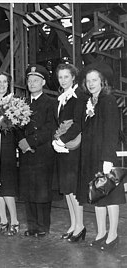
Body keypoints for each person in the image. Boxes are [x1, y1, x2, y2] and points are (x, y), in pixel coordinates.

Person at [78, 62, 125, 250]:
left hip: (104, 157)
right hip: (92, 156)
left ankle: (113, 235)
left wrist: (107, 158)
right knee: (97, 196)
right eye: (88, 81)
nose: (91, 84)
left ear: (102, 82)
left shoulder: (108, 101)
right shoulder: (91, 102)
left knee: (111, 197)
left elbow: (112, 131)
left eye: (94, 80)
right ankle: (101, 233)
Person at [17, 64, 56, 237]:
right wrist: (21, 142)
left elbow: (50, 127)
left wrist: (30, 142)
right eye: (29, 80)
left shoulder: (50, 103)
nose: (32, 83)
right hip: (25, 153)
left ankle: (43, 226)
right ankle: (31, 225)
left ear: (43, 82)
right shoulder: (21, 103)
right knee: (28, 190)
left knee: (42, 191)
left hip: (42, 153)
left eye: (36, 80)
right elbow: (15, 125)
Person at [51, 64, 88, 242]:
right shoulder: (62, 98)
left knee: (73, 189)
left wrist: (62, 140)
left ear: (73, 77)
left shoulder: (78, 97)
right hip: (62, 148)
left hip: (72, 148)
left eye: (66, 77)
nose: (63, 80)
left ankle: (80, 225)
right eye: (60, 77)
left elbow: (78, 123)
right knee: (66, 189)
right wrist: (56, 138)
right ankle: (73, 224)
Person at [0, 71, 19, 236]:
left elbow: (18, 126)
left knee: (7, 186)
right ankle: (3, 221)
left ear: (8, 85)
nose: (1, 85)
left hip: (7, 148)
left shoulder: (14, 103)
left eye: (4, 82)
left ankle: (14, 221)